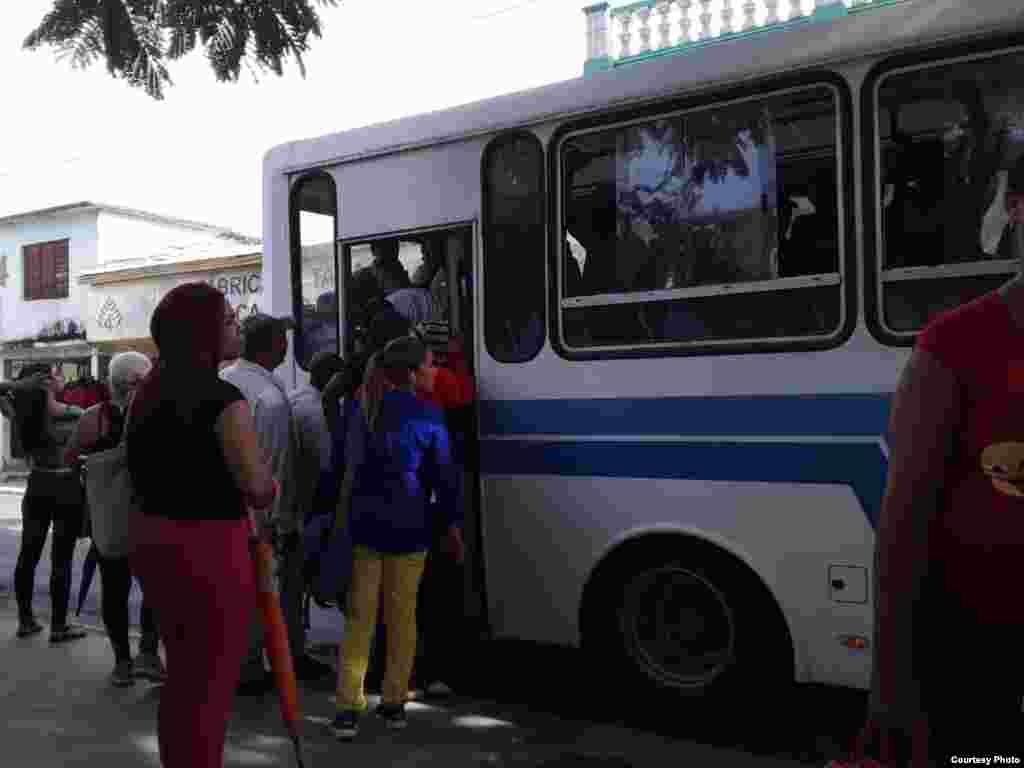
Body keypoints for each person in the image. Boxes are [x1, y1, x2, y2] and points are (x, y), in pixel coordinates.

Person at [855, 155, 1024, 765]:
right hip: (983, 664)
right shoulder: (953, 348)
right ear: (1015, 210)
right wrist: (890, 692)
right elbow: (902, 533)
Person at [126, 282, 277, 768]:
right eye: (229, 320)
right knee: (210, 682)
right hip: (210, 547)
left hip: (154, 541)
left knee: (184, 678)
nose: (238, 325)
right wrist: (269, 480)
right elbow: (258, 486)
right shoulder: (223, 398)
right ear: (203, 333)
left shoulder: (146, 394)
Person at [331, 336, 464, 741]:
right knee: (403, 618)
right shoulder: (428, 415)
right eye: (428, 365)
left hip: (363, 528)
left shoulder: (358, 408)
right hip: (410, 527)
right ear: (410, 374)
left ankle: (347, 708)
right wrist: (451, 526)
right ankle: (392, 703)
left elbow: (338, 467)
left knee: (360, 621)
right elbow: (443, 479)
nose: (433, 371)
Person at [64, 351, 164, 687]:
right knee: (156, 590)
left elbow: (71, 458)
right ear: (140, 382)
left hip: (108, 520)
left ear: (112, 383)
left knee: (114, 590)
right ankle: (148, 653)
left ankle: (122, 662)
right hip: (150, 518)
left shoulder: (92, 418)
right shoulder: (157, 415)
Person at [220, 313, 300, 694]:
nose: (287, 347)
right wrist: (276, 521)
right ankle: (249, 670)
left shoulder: (225, 379)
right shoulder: (269, 398)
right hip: (254, 512)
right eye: (282, 341)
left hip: (219, 508)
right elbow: (273, 466)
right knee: (256, 590)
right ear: (273, 347)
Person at [5, 363, 87, 642]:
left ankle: (26, 621)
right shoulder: (75, 414)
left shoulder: (20, 413)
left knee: (28, 554)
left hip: (38, 483)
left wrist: (20, 387)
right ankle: (58, 626)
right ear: (47, 381)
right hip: (66, 487)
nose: (62, 377)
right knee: (61, 560)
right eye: (57, 373)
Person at [286, 350, 346, 680]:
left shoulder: (296, 396)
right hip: (308, 507)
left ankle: (295, 643)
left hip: (292, 501)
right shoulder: (317, 411)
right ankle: (296, 650)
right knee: (302, 579)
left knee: (294, 582)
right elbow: (327, 465)